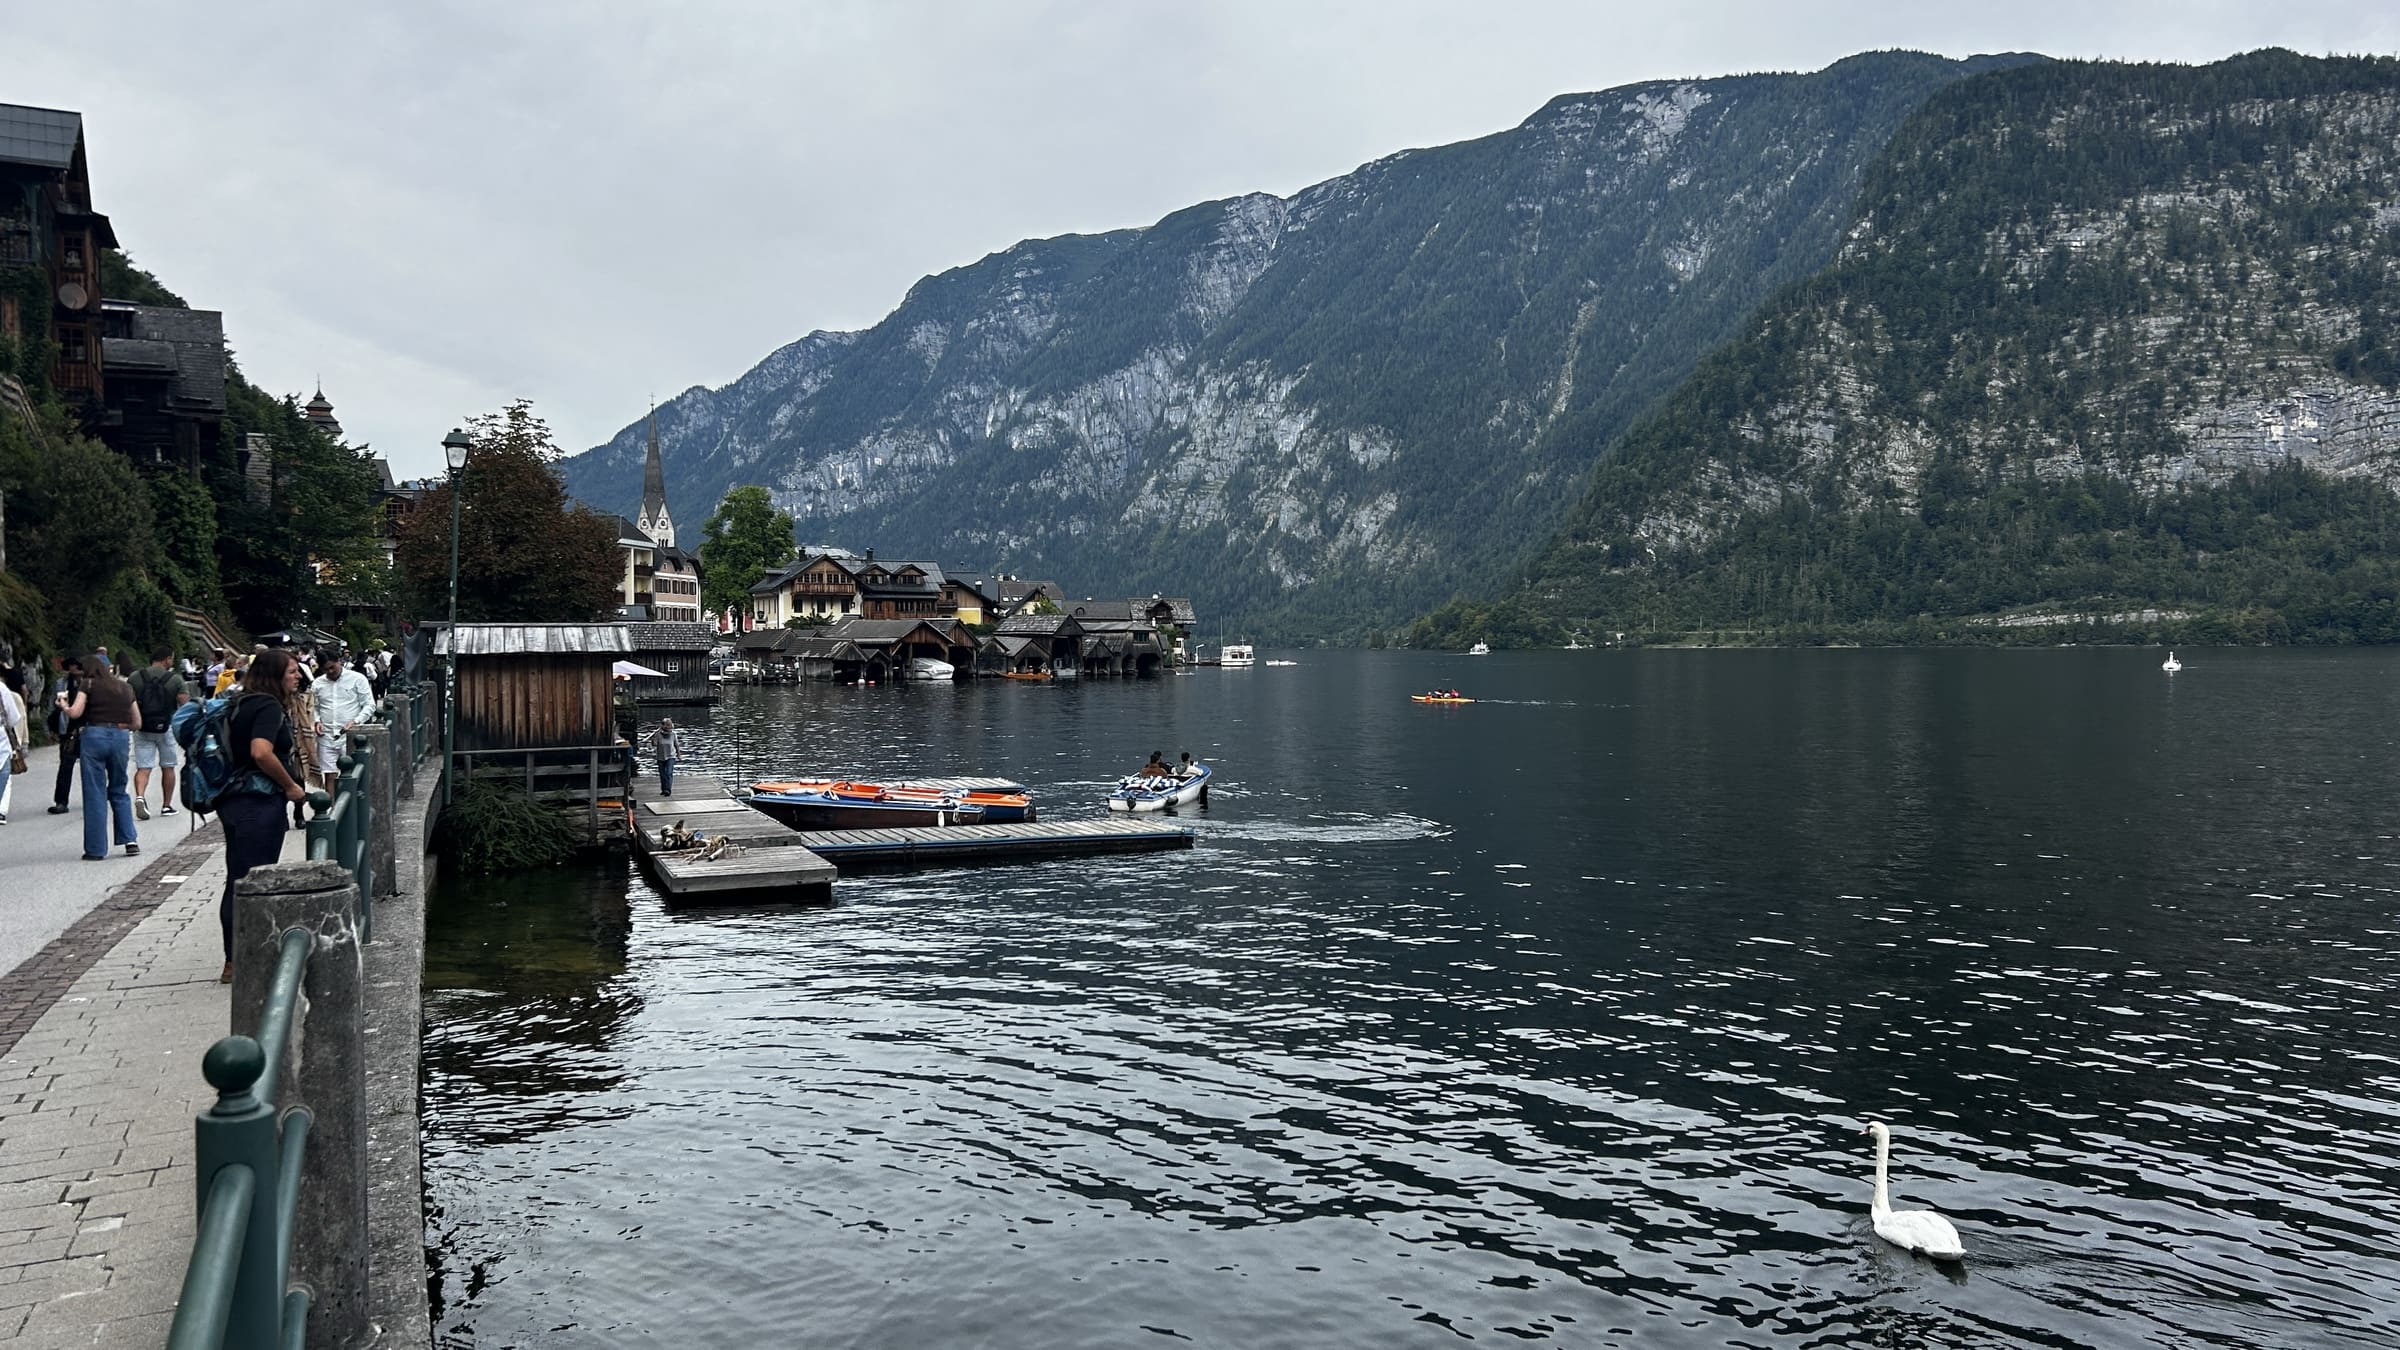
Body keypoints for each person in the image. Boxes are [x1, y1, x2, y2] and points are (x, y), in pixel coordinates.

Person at [217, 651, 307, 982]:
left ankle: (234, 959)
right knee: (256, 880)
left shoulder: (241, 701)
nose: (298, 677)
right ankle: (245, 960)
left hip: (233, 799)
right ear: (274, 676)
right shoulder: (268, 706)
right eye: (292, 672)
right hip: (259, 801)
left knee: (237, 879)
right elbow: (261, 751)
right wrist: (290, 787)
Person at [63, 652, 139, 860]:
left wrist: (63, 706)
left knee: (95, 792)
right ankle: (130, 839)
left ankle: (96, 849)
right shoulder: (125, 687)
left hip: (94, 736)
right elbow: (137, 722)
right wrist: (121, 727)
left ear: (88, 671)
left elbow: (76, 712)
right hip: (120, 738)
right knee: (118, 789)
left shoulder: (88, 684)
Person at [128, 646, 187, 820]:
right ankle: (166, 806)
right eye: (172, 659)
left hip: (142, 726)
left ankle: (140, 796)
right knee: (168, 766)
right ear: (167, 659)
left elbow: (127, 700)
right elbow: (185, 704)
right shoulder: (175, 679)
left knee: (143, 767)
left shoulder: (135, 677)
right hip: (166, 727)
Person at [307, 648, 376, 795]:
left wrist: (356, 721)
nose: (330, 671)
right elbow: (315, 707)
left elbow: (369, 704)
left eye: (333, 667)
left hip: (350, 734)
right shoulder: (318, 684)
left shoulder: (357, 679)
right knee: (329, 774)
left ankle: (352, 806)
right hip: (326, 734)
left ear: (339, 661)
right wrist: (317, 721)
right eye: (326, 669)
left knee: (353, 772)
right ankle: (332, 810)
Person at [46, 655, 85, 814]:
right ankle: (61, 801)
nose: (73, 669)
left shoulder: (90, 683)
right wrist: (49, 729)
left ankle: (96, 797)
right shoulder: (61, 684)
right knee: (65, 767)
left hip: (88, 729)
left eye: (75, 666)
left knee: (91, 767)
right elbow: (51, 706)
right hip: (68, 730)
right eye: (71, 666)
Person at [0, 667, 27, 824]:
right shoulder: (1, 688)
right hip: (0, 737)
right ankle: (1, 810)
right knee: (4, 772)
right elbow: (13, 717)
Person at [649, 718, 680, 796]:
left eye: (670, 725)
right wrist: (653, 737)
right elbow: (655, 744)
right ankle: (664, 789)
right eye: (667, 725)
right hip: (660, 757)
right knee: (662, 774)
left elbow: (676, 745)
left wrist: (679, 755)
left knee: (668, 773)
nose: (669, 727)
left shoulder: (673, 734)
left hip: (671, 756)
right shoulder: (658, 734)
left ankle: (668, 790)